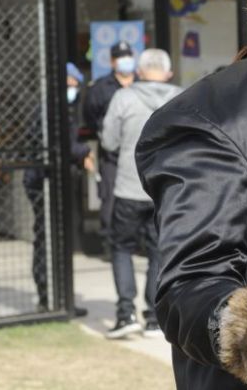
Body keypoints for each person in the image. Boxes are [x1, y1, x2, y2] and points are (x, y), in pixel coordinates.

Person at [99, 49, 182, 339]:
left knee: (121, 248)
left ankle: (126, 314)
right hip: (165, 189)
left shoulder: (123, 97)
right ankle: (154, 318)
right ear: (168, 73)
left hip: (129, 187)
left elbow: (109, 141)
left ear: (139, 71)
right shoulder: (181, 98)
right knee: (159, 251)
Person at [23, 63, 93, 313]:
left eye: (76, 84)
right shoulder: (52, 109)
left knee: (58, 237)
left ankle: (60, 297)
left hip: (54, 179)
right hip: (43, 181)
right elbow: (60, 143)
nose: (74, 88)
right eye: (71, 83)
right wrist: (84, 151)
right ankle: (48, 296)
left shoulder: (61, 107)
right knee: (47, 237)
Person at [83, 41, 137, 240]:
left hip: (140, 151)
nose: (125, 61)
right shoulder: (100, 88)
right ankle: (111, 241)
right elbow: (90, 115)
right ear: (113, 62)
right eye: (120, 57)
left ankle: (139, 240)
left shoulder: (142, 84)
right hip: (112, 154)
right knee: (110, 196)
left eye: (128, 56)